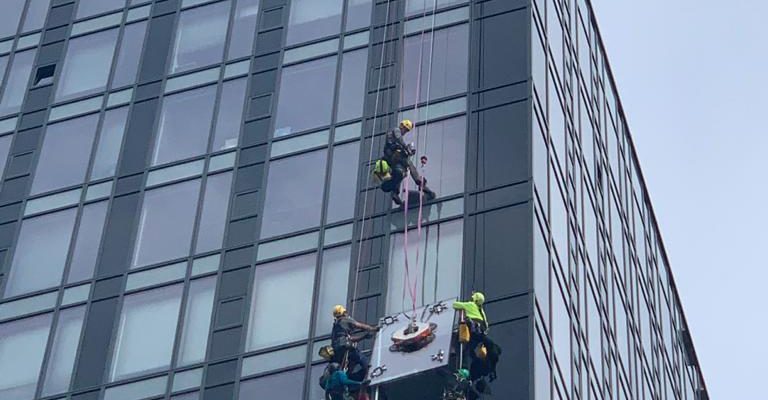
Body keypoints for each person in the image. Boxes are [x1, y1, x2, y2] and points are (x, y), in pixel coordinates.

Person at [382, 119, 436, 201]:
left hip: (393, 159)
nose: (405, 132)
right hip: (393, 156)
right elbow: (398, 139)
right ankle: (419, 182)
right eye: (405, 129)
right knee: (408, 162)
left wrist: (408, 150)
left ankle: (395, 193)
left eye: (407, 131)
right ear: (401, 126)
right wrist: (406, 147)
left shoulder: (395, 140)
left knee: (401, 173)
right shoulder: (396, 130)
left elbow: (399, 144)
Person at [453, 292, 502, 382]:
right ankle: (467, 372)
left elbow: (456, 305)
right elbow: (486, 324)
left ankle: (464, 371)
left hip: (473, 330)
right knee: (470, 349)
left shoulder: (470, 305)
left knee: (465, 350)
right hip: (480, 332)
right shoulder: (481, 310)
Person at [331, 305, 378, 380]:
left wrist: (364, 337)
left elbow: (350, 339)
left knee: (350, 364)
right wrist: (373, 329)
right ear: (343, 313)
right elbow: (359, 325)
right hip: (346, 347)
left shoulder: (336, 326)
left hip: (338, 351)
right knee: (361, 359)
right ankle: (369, 374)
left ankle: (349, 381)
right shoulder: (345, 320)